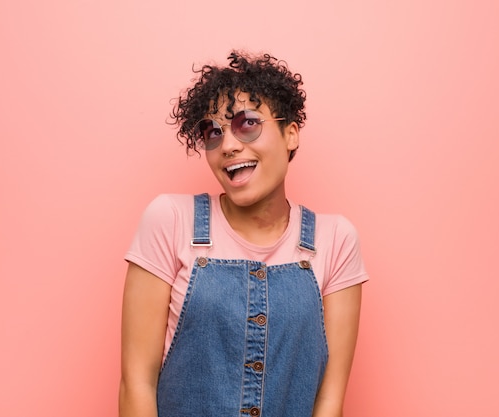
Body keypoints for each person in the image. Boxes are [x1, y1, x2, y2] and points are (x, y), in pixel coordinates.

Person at [119, 51, 369, 417]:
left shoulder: (337, 240)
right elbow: (137, 381)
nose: (228, 145)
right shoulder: (170, 220)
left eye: (247, 124)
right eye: (212, 133)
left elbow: (329, 401)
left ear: (291, 135)